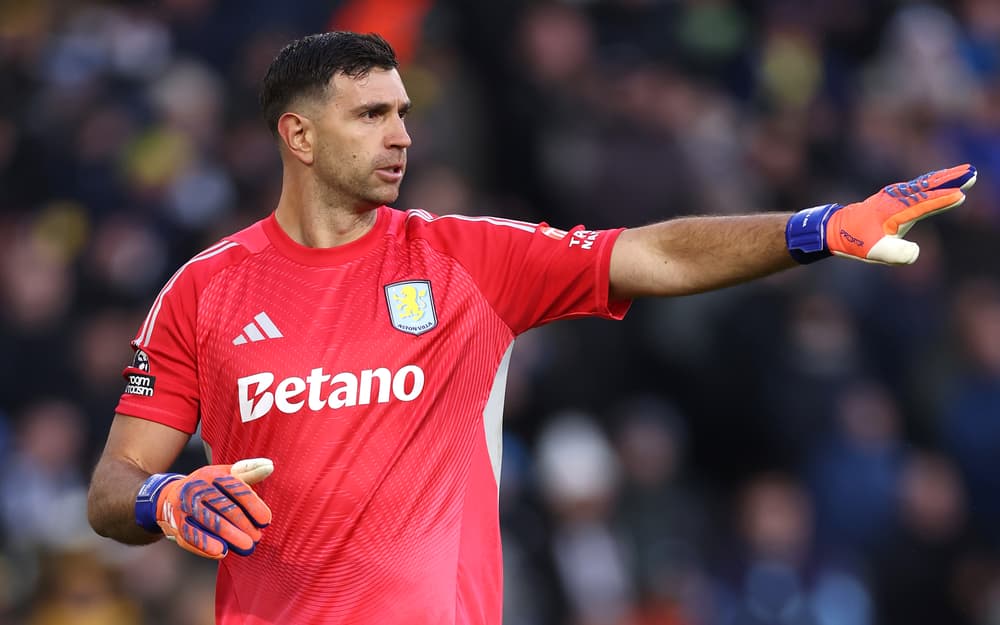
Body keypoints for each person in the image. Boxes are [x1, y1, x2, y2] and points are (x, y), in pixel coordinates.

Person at [85, 31, 977, 625]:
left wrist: (816, 228)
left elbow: (653, 253)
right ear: (299, 136)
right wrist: (165, 499)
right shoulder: (204, 292)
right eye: (371, 115)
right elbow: (113, 484)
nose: (401, 136)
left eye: (403, 113)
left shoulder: (467, 258)